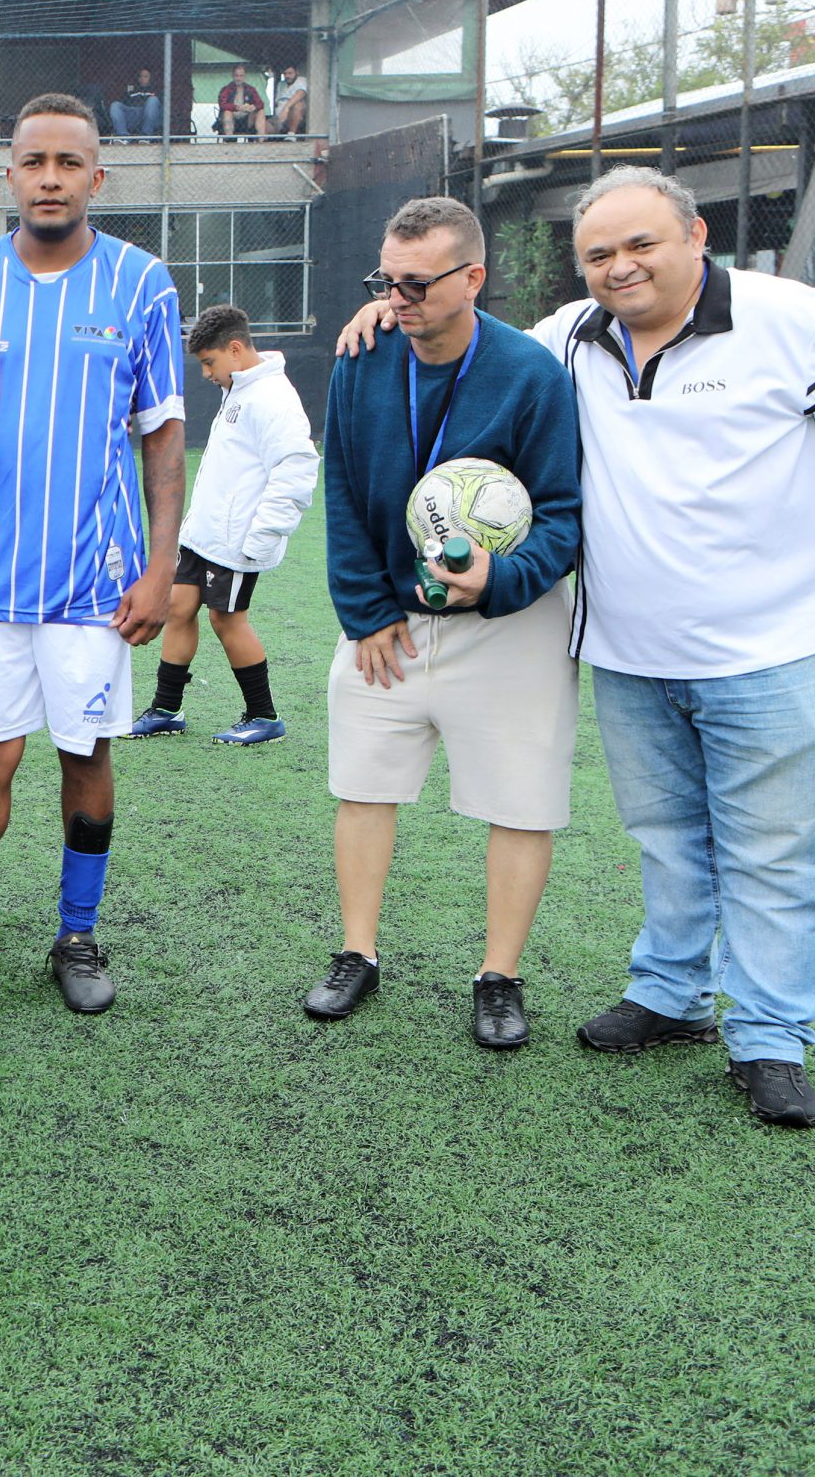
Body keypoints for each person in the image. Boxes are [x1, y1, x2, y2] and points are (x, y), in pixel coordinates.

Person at [337, 167, 815, 1124]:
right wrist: (387, 315)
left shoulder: (793, 316)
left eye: (641, 244)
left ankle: (770, 1038)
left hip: (771, 648)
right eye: (598, 253)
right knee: (668, 840)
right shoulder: (568, 336)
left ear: (696, 235)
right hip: (630, 649)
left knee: (775, 851)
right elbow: (461, 342)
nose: (620, 267)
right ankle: (673, 994)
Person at [0, 93, 186, 1027]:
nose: (49, 177)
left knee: (85, 754)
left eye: (68, 162)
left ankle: (76, 936)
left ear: (99, 177)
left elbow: (162, 439)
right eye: (32, 160)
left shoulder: (143, 284)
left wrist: (161, 567)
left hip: (97, 586)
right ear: (9, 173)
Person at [309, 196, 580, 1052]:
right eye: (386, 281)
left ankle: (498, 975)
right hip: (390, 621)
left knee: (522, 802)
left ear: (473, 277)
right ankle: (358, 951)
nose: (398, 299)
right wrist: (365, 611)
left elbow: (566, 517)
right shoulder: (362, 357)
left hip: (508, 627)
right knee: (363, 785)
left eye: (417, 283)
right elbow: (345, 495)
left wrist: (499, 578)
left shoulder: (530, 373)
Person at [128, 304, 316, 745]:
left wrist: (263, 536)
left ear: (235, 349)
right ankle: (166, 709)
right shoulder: (240, 387)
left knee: (227, 619)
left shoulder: (273, 397)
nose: (207, 373)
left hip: (237, 542)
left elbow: (298, 466)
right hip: (204, 535)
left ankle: (264, 716)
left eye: (210, 362)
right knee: (178, 607)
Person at [109, 68, 163, 141]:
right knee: (115, 105)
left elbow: (160, 108)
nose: (142, 78)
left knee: (153, 100)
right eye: (141, 76)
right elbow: (124, 105)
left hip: (149, 116)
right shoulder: (131, 90)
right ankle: (123, 137)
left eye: (145, 76)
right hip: (133, 114)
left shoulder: (156, 89)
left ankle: (145, 136)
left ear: (150, 78)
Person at [217, 66, 269, 138]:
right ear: (232, 76)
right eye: (236, 75)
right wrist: (237, 107)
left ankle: (261, 140)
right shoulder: (226, 89)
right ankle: (229, 139)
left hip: (247, 119)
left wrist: (253, 107)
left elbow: (260, 103)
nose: (239, 78)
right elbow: (222, 105)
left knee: (261, 111)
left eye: (241, 76)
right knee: (227, 112)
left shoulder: (250, 89)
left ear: (244, 76)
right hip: (232, 118)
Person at [271, 64, 310, 136]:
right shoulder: (281, 84)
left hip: (291, 115)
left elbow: (300, 94)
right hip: (278, 117)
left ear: (297, 72)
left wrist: (286, 108)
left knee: (298, 105)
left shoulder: (301, 80)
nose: (287, 76)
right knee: (264, 124)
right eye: (285, 74)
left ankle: (291, 135)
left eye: (290, 73)